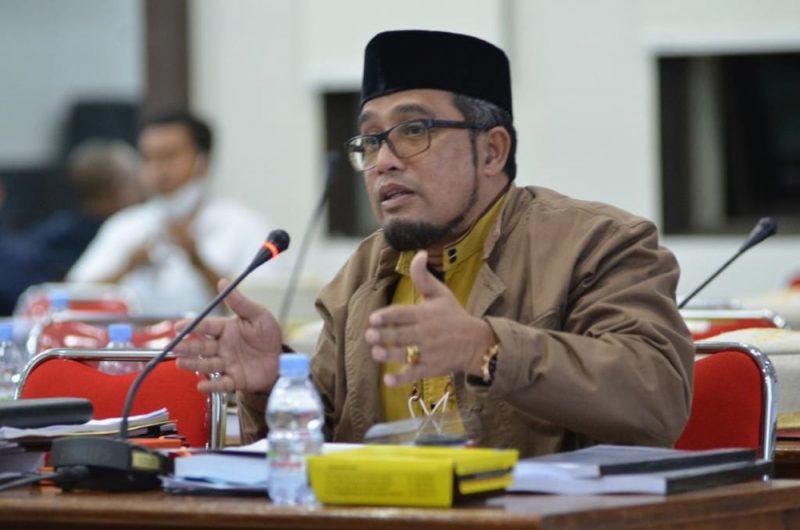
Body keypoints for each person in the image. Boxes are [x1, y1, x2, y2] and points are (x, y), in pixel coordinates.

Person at [175, 30, 694, 457]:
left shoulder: (596, 244)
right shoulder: (362, 273)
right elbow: (326, 446)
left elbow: (657, 396)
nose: (384, 161)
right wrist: (273, 385)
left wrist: (486, 348)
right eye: (371, 140)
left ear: (491, 152)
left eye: (413, 130)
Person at [67, 111, 279, 314]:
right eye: (149, 158)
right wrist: (127, 267)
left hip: (214, 339)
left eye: (169, 157)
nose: (158, 169)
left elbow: (263, 311)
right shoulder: (126, 224)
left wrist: (198, 261)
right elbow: (71, 298)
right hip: (137, 338)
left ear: (203, 162)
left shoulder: (243, 225)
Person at [0, 140, 142, 314]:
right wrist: (129, 266)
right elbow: (67, 296)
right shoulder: (41, 248)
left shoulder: (49, 231)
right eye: (134, 181)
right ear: (117, 188)